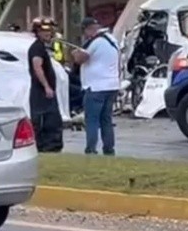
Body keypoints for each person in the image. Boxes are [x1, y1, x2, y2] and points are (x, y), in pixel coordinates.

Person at [72, 17, 120, 155]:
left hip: (96, 87)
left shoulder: (95, 42)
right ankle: (109, 149)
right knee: (106, 119)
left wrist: (75, 53)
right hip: (112, 85)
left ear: (88, 29)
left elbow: (81, 59)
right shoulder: (112, 39)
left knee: (92, 119)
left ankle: (91, 149)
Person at [27, 17, 64, 152]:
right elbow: (37, 68)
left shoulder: (42, 47)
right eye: (44, 31)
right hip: (41, 93)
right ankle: (46, 146)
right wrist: (46, 87)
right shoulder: (37, 48)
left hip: (44, 91)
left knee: (52, 119)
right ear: (38, 32)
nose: (48, 34)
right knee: (47, 120)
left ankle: (51, 146)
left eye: (50, 31)